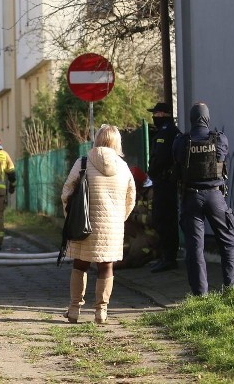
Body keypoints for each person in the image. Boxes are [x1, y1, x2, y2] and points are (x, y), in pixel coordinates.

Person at [61, 124, 136, 324]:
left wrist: (70, 215)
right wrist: (120, 219)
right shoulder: (123, 167)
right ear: (117, 142)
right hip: (111, 227)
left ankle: (75, 308)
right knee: (106, 266)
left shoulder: (83, 162)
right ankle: (101, 311)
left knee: (80, 264)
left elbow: (67, 191)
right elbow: (131, 198)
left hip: (83, 225)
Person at [172, 102, 234, 296]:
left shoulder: (181, 141)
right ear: (207, 118)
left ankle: (200, 294)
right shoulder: (220, 139)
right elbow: (223, 157)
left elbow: (176, 162)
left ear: (192, 119)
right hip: (215, 196)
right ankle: (231, 286)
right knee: (227, 241)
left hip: (191, 196)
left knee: (195, 247)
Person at [146, 102, 181, 273]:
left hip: (166, 183)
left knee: (165, 219)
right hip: (162, 182)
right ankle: (164, 256)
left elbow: (160, 158)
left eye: (156, 114)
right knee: (160, 218)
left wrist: (151, 171)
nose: (154, 117)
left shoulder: (168, 133)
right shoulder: (164, 131)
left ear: (163, 114)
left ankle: (169, 258)